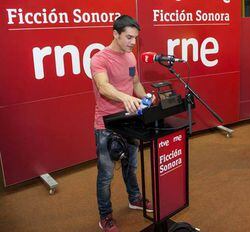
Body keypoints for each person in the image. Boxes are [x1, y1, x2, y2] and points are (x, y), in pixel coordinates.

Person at [90, 15, 154, 232]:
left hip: (130, 122)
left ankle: (134, 198)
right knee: (106, 174)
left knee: (132, 165)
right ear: (115, 34)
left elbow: (135, 83)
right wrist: (124, 98)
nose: (132, 42)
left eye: (135, 38)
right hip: (106, 124)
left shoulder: (130, 57)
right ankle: (105, 216)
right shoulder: (99, 58)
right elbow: (104, 87)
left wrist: (146, 99)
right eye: (128, 37)